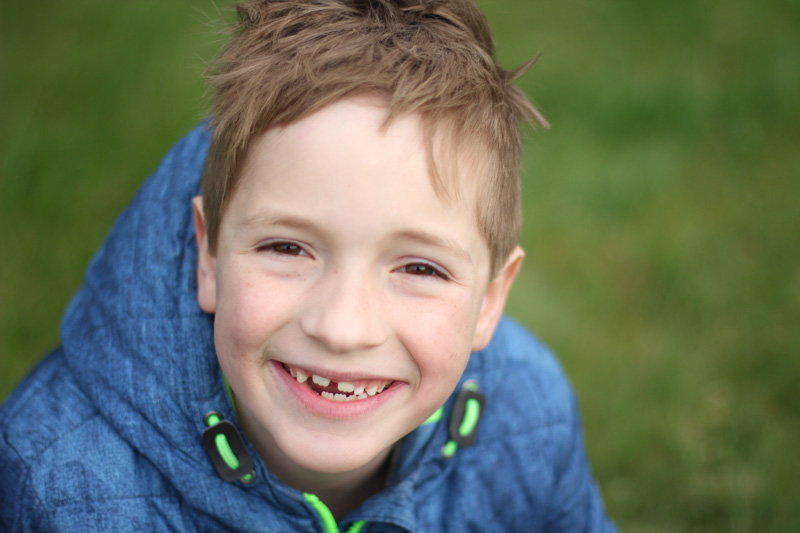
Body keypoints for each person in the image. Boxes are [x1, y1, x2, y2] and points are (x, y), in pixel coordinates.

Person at [0, 0, 616, 530]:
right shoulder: (59, 483)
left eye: (420, 269)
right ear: (209, 255)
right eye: (288, 248)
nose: (342, 328)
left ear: (490, 301)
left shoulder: (531, 415)